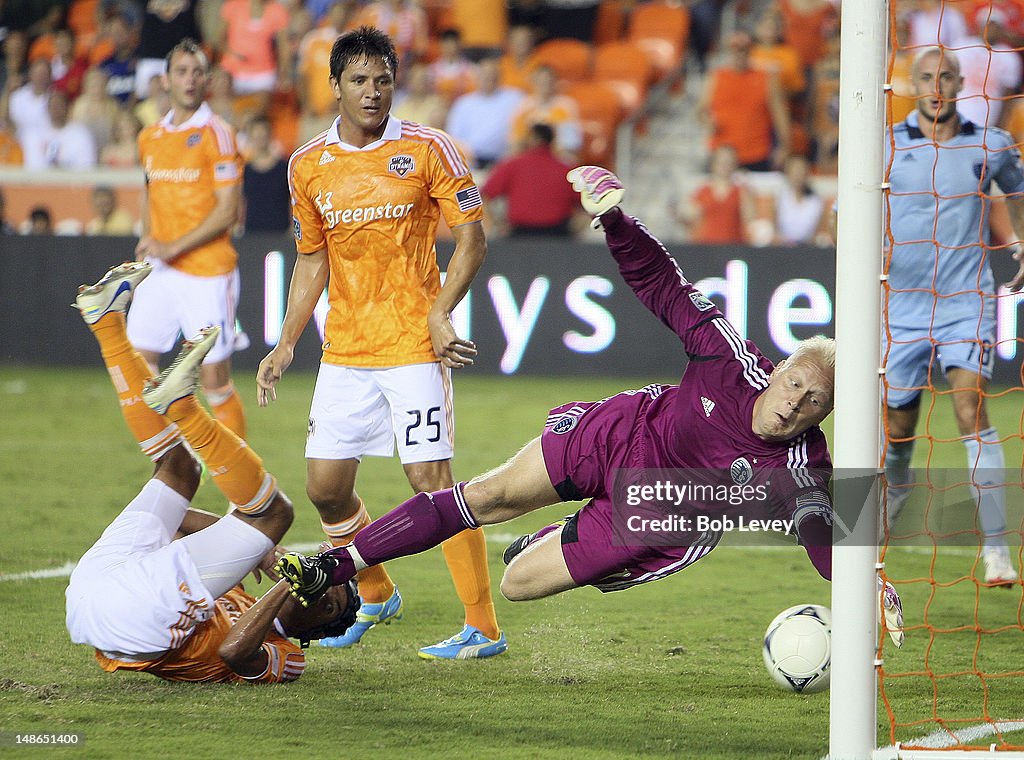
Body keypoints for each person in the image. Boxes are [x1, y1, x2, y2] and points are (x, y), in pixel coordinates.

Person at [273, 166, 905, 648]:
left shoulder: (802, 467)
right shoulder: (727, 357)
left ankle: (553, 539)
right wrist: (617, 220)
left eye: (814, 402)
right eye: (796, 383)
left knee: (518, 585)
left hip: (659, 514)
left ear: (824, 416)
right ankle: (337, 563)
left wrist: (864, 587)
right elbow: (663, 285)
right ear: (781, 367)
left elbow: (821, 533)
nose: (795, 404)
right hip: (620, 434)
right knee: (485, 497)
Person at [256, 26, 505, 659]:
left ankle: (482, 626)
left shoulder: (430, 150)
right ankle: (376, 590)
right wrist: (287, 344)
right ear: (334, 86)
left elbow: (472, 239)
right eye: (359, 81)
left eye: (383, 79)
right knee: (325, 488)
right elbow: (312, 259)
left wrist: (441, 312)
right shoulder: (308, 165)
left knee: (432, 482)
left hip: (414, 346)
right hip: (344, 350)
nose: (373, 92)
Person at [66, 262, 359, 682]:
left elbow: (234, 652)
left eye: (326, 592)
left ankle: (183, 406)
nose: (313, 574)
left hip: (141, 623)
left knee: (275, 514)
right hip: (96, 584)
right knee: (178, 467)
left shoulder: (288, 657)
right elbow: (180, 518)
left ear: (322, 619)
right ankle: (108, 321)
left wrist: (281, 579)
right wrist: (258, 550)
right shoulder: (227, 584)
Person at [883, 47, 1024, 586]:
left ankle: (997, 549)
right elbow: (841, 214)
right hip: (901, 303)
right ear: (912, 84)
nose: (936, 84)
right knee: (898, 429)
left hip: (966, 298)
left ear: (962, 81)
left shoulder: (990, 143)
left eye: (945, 75)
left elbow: (1018, 187)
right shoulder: (887, 144)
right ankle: (895, 491)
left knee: (970, 411)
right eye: (926, 76)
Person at [128, 38, 248, 441]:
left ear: (208, 79)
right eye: (181, 71)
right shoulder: (150, 137)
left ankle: (249, 493)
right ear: (165, 80)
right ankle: (170, 467)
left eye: (197, 72)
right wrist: (147, 237)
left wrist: (172, 246)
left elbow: (227, 209)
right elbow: (150, 191)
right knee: (137, 370)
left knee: (214, 380)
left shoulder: (219, 133)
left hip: (207, 271)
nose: (189, 79)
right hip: (160, 270)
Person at [482, 122, 581, 236]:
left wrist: (496, 225)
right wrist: (577, 228)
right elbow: (586, 204)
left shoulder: (513, 165)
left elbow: (485, 195)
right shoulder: (566, 169)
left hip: (520, 236)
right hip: (559, 236)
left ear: (532, 138)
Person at [446, 56, 524, 169]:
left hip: (504, 161)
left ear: (499, 77)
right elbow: (453, 136)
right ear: (477, 77)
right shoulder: (464, 103)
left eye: (492, 75)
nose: (488, 78)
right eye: (484, 75)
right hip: (471, 162)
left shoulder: (515, 98)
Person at [241, 114, 290, 233]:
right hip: (252, 234)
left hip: (280, 232)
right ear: (250, 137)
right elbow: (241, 202)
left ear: (270, 135)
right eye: (257, 135)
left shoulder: (284, 167)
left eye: (263, 134)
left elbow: (293, 201)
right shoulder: (245, 170)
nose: (260, 139)